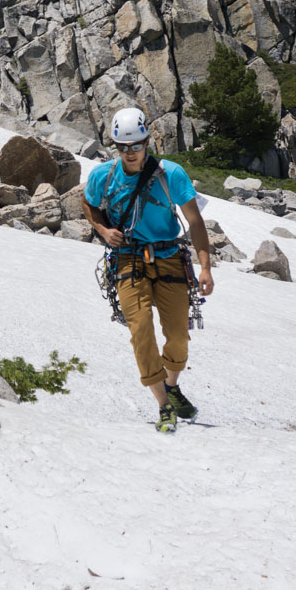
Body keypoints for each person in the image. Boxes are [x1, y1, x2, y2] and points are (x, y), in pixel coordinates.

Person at [81, 106, 214, 432]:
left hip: (170, 257)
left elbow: (195, 222)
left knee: (178, 338)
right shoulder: (103, 176)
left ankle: (171, 384)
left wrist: (206, 268)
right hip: (127, 259)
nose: (129, 153)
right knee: (140, 329)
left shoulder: (171, 174)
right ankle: (164, 405)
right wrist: (102, 230)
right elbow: (87, 203)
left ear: (146, 142)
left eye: (135, 146)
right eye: (122, 147)